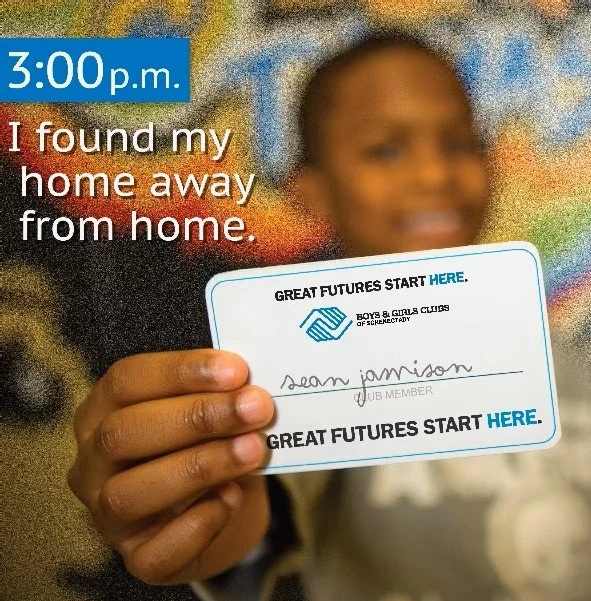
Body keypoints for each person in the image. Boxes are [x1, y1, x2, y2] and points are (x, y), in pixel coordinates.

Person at [68, 31, 591, 601]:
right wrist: (195, 517)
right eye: (386, 151)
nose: (435, 175)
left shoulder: (563, 353)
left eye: (460, 143)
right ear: (312, 193)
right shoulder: (292, 376)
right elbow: (252, 523)